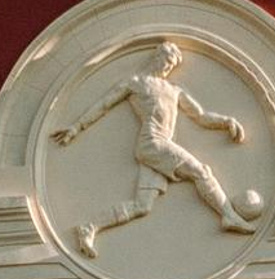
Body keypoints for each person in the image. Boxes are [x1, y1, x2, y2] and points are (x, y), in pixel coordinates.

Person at [52, 40, 259, 256]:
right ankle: (228, 215)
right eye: (167, 61)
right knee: (201, 171)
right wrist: (76, 127)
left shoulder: (174, 90)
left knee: (142, 206)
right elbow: (104, 104)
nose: (168, 67)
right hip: (153, 143)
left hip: (158, 150)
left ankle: (89, 227)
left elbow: (201, 116)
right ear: (157, 56)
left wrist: (226, 122)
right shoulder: (136, 83)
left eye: (172, 65)